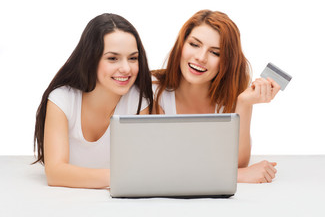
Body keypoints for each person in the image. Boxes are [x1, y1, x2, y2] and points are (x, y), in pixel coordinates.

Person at [152, 10, 280, 184]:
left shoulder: (227, 101)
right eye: (194, 44)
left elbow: (238, 164)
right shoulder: (152, 90)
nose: (201, 57)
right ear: (181, 44)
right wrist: (238, 177)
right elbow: (158, 167)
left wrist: (244, 103)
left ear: (227, 62)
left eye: (215, 53)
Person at [33, 13, 153, 188]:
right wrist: (118, 178)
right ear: (90, 58)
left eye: (133, 58)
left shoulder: (138, 101)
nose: (126, 68)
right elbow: (55, 173)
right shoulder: (62, 99)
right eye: (112, 58)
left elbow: (140, 166)